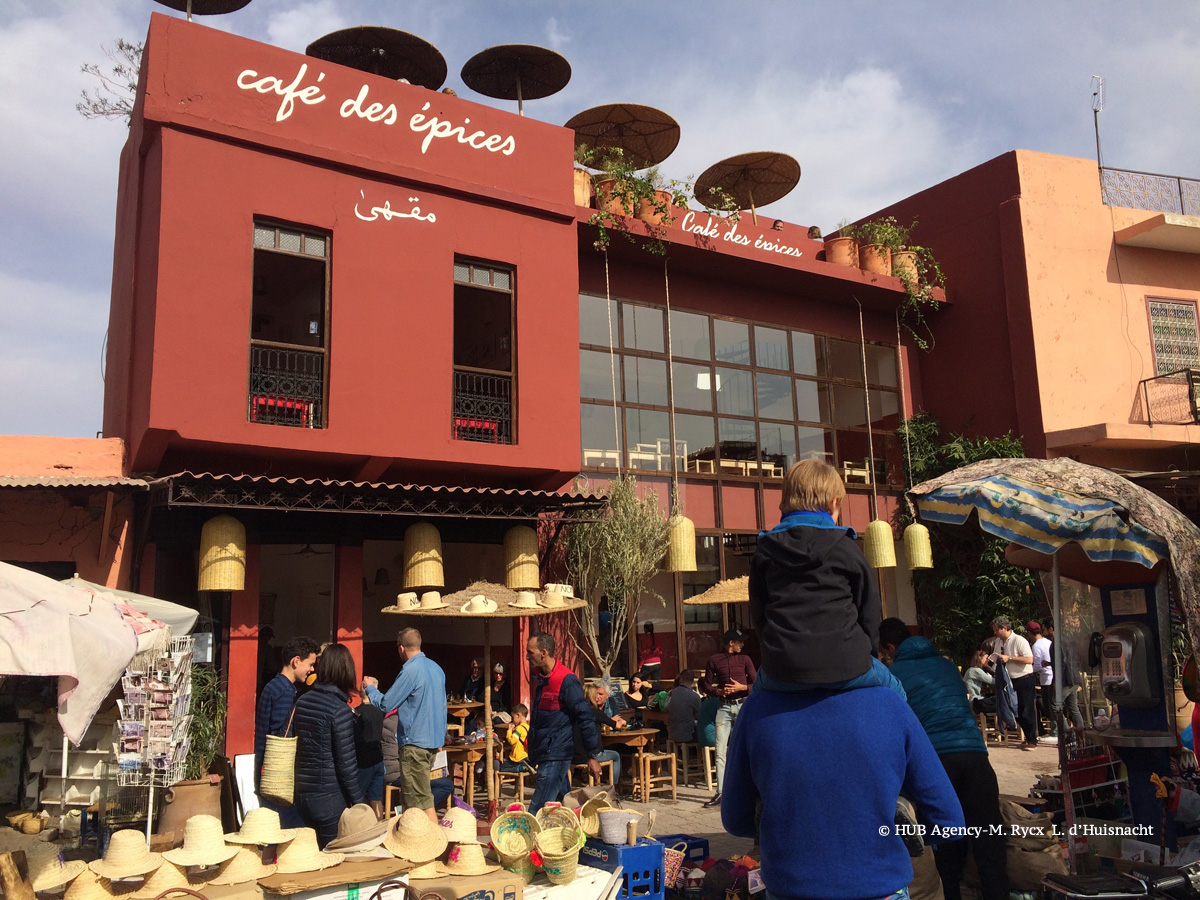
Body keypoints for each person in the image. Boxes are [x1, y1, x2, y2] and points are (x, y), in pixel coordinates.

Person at [722, 682, 964, 900]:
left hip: (791, 885)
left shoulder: (756, 708)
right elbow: (948, 820)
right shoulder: (889, 704)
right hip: (880, 884)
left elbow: (735, 819)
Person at [878, 618, 1009, 900]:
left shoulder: (894, 675)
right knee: (988, 836)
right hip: (975, 755)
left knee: (945, 838)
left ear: (889, 648)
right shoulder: (948, 666)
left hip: (936, 763)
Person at [749, 458, 901, 696]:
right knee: (897, 692)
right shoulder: (846, 548)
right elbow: (870, 611)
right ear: (833, 502)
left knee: (753, 703)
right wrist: (867, 656)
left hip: (783, 668)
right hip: (848, 663)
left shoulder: (765, 550)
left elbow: (759, 614)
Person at [364, 627, 447, 823]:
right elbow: (442, 707)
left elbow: (387, 704)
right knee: (415, 799)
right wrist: (440, 737)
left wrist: (370, 689)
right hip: (431, 743)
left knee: (420, 801)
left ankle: (432, 845)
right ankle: (414, 843)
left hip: (414, 745)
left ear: (401, 648)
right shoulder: (437, 669)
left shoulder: (410, 671)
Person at [292, 643, 366, 847]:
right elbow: (347, 764)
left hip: (301, 794)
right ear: (346, 671)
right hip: (329, 798)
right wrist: (361, 804)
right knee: (334, 857)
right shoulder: (339, 710)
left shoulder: (302, 701)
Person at [526, 631, 602, 812]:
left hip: (556, 752)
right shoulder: (541, 679)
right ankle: (576, 835)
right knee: (564, 805)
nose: (527, 657)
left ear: (543, 653)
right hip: (545, 751)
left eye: (530, 652)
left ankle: (524, 837)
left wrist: (592, 755)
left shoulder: (566, 680)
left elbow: (586, 717)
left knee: (538, 809)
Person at [254, 635, 319, 827]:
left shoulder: (272, 686)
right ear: (296, 661)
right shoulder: (285, 692)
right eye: (310, 664)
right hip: (277, 772)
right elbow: (282, 734)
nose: (312, 669)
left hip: (265, 768)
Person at [700, 628, 756, 808]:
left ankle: (751, 789)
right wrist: (717, 691)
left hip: (742, 704)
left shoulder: (745, 659)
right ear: (731, 643)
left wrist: (742, 687)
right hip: (723, 706)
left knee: (749, 746)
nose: (743, 644)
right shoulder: (714, 660)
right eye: (740, 641)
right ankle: (721, 792)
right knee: (720, 749)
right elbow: (705, 684)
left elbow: (756, 684)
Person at [990, 616, 1038, 749]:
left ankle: (1032, 740)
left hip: (1024, 678)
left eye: (996, 630)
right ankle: (1028, 736)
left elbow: (1029, 659)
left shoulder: (1019, 640)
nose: (994, 633)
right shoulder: (998, 642)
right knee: (1013, 708)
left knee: (1026, 709)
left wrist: (1009, 658)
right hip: (1009, 680)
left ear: (1004, 628)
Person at [575, 682, 624, 792]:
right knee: (615, 755)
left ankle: (578, 777)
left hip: (574, 755)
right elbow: (616, 725)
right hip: (590, 756)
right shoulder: (595, 712)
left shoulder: (576, 712)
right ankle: (614, 787)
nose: (598, 697)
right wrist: (621, 721)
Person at [1045, 622, 1085, 730]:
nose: (1044, 632)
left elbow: (1062, 662)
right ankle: (1081, 732)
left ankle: (1067, 733)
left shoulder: (1057, 643)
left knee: (1055, 706)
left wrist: (1057, 681)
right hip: (1072, 679)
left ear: (1051, 629)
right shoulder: (1068, 641)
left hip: (1064, 680)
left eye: (1044, 629)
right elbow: (1072, 660)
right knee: (1073, 708)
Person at [351, 692, 385, 818]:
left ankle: (359, 828)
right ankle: (379, 827)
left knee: (358, 799)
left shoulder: (357, 712)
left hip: (363, 760)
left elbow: (354, 736)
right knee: (376, 798)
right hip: (378, 757)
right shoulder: (379, 711)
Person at [1029, 622, 1054, 737]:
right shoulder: (1049, 642)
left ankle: (1055, 731)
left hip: (1046, 679)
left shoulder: (1036, 646)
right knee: (1052, 705)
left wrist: (1028, 669)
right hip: (1053, 676)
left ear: (1029, 633)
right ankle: (1056, 730)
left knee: (1049, 706)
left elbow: (1038, 665)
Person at [667, 669, 702, 744]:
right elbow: (699, 716)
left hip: (673, 733)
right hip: (687, 736)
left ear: (681, 679)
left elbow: (666, 707)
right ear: (692, 681)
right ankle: (700, 755)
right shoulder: (695, 696)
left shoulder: (673, 692)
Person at [498, 703, 534, 775]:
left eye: (513, 717)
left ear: (518, 715)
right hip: (525, 755)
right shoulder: (527, 727)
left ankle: (520, 768)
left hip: (517, 757)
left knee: (502, 768)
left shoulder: (519, 729)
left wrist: (509, 731)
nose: (512, 720)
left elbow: (512, 741)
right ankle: (524, 766)